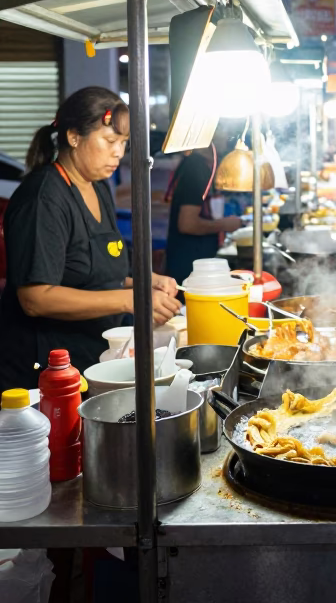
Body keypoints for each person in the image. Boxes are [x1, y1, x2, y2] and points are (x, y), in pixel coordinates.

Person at [0, 87, 181, 390]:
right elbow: (35, 298)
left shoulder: (96, 186)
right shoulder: (44, 198)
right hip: (44, 374)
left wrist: (144, 281)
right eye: (110, 141)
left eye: (123, 143)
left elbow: (92, 272)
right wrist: (131, 300)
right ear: (73, 137)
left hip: (91, 359)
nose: (119, 153)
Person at [164, 132, 243, 286]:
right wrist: (223, 225)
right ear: (210, 136)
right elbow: (187, 224)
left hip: (198, 262)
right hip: (189, 266)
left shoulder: (202, 166)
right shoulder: (196, 169)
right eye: (220, 130)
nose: (225, 136)